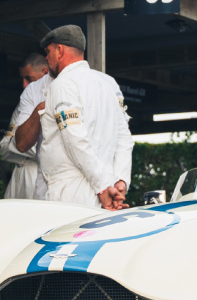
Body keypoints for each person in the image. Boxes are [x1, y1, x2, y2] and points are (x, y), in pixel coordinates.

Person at [31, 25, 132, 209]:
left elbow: (74, 139)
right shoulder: (108, 83)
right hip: (106, 187)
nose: (46, 58)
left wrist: (102, 188)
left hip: (72, 191)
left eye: (48, 51)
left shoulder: (62, 84)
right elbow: (124, 137)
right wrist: (120, 182)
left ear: (59, 50)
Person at [0, 52, 50, 200]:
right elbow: (5, 147)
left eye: (28, 78)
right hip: (18, 177)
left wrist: (21, 144)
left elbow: (54, 150)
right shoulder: (21, 105)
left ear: (45, 72)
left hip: (39, 176)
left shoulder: (58, 99)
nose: (24, 85)